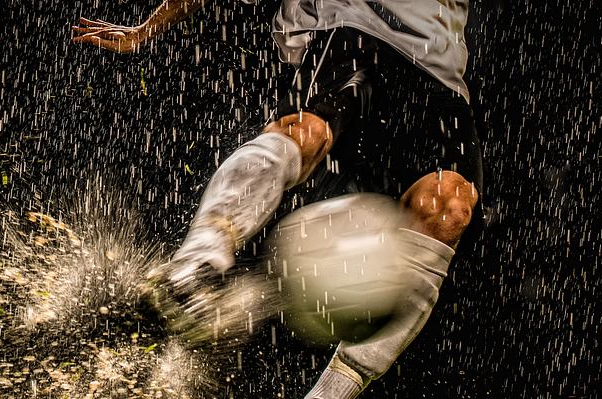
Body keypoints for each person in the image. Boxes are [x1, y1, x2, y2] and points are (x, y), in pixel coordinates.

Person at [72, 0, 484, 397]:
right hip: (349, 29)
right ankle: (193, 269)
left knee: (451, 209)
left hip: (437, 69)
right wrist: (150, 27)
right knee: (307, 133)